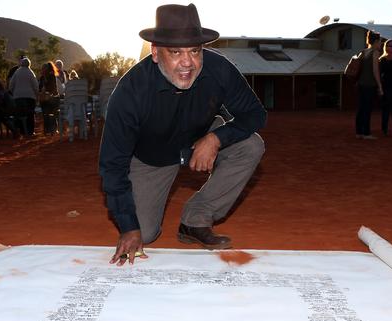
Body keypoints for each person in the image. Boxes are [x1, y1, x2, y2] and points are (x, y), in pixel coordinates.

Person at [98, 4, 266, 266]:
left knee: (251, 145)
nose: (188, 62)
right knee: (145, 232)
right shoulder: (131, 92)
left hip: (197, 139)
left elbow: (255, 114)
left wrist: (215, 138)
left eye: (195, 51)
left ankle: (195, 219)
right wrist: (129, 226)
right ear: (155, 52)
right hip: (151, 157)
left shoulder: (219, 70)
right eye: (175, 52)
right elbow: (112, 164)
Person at [355, 30, 383, 140]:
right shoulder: (375, 53)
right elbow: (375, 71)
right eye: (380, 41)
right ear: (376, 41)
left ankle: (359, 132)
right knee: (367, 109)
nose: (380, 43)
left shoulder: (363, 51)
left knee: (361, 108)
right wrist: (380, 86)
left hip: (361, 84)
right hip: (369, 84)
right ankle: (366, 133)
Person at [9, 56, 38, 136]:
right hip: (30, 98)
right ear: (29, 64)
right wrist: (36, 95)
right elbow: (35, 86)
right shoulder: (31, 72)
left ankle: (21, 131)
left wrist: (13, 93)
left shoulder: (17, 72)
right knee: (30, 114)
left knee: (19, 114)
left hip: (18, 97)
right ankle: (30, 132)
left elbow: (11, 85)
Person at [38, 61, 60, 135]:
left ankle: (53, 129)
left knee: (51, 112)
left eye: (44, 69)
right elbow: (39, 88)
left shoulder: (51, 76)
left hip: (52, 98)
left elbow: (54, 89)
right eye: (42, 69)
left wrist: (48, 92)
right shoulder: (41, 78)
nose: (43, 70)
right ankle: (47, 129)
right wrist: (42, 91)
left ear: (47, 69)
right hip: (44, 98)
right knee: (45, 113)